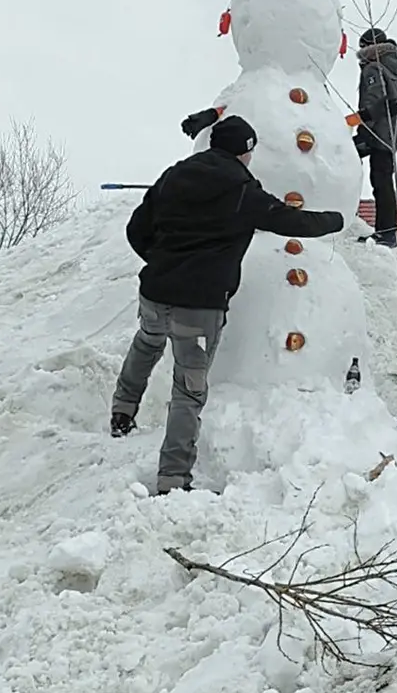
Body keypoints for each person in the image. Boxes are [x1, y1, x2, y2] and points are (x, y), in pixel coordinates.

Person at [110, 115, 347, 494]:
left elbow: (136, 228)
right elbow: (288, 221)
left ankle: (122, 412)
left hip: (155, 292)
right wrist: (336, 219)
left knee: (147, 342)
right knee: (188, 389)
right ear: (246, 151)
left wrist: (159, 261)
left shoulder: (174, 175)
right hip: (198, 307)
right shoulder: (242, 191)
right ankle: (172, 478)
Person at [353, 27, 397, 247]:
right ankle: (388, 231)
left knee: (380, 182)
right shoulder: (395, 70)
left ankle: (385, 232)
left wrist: (363, 131)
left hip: (378, 132)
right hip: (394, 132)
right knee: (385, 181)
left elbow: (374, 101)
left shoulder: (373, 68)